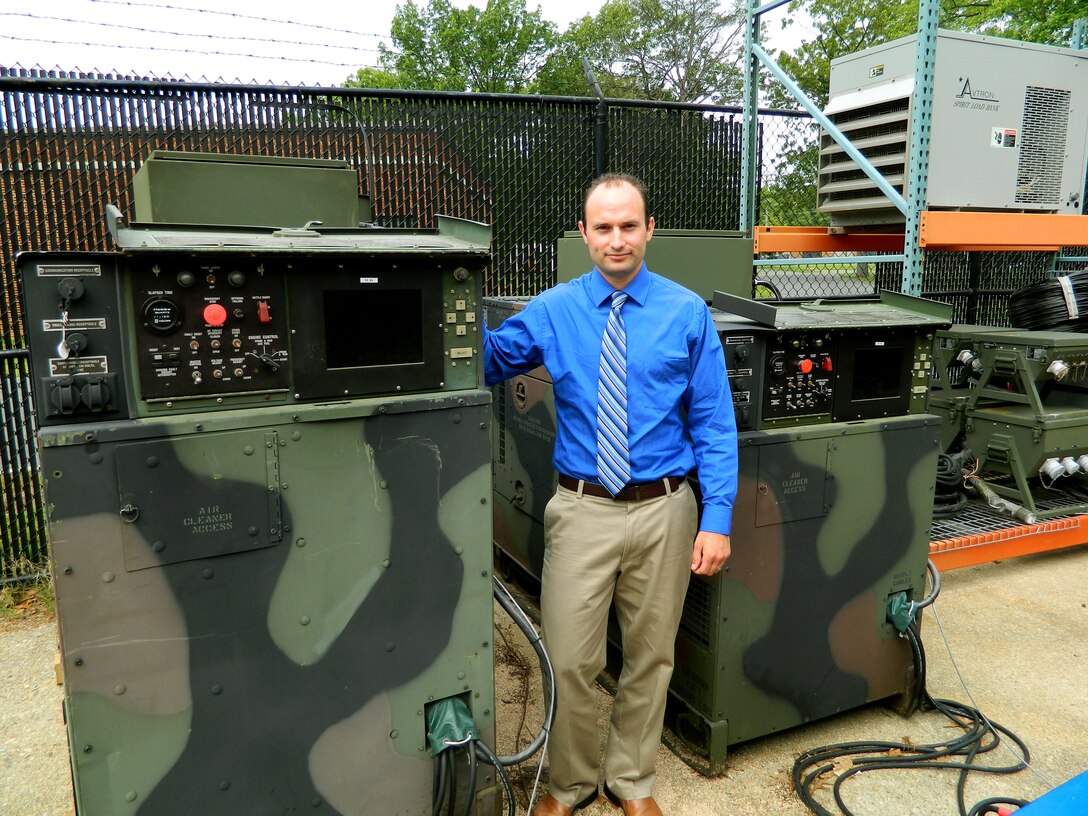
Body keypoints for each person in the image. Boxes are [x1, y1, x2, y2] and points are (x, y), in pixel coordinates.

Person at [484, 173, 738, 816]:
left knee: (651, 657)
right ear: (584, 234)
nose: (617, 239)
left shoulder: (686, 313)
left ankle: (632, 782)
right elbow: (481, 360)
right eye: (604, 227)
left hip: (666, 509)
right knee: (570, 657)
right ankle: (569, 785)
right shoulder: (552, 310)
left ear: (649, 230)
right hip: (583, 508)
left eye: (629, 225)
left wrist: (718, 519)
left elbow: (713, 423)